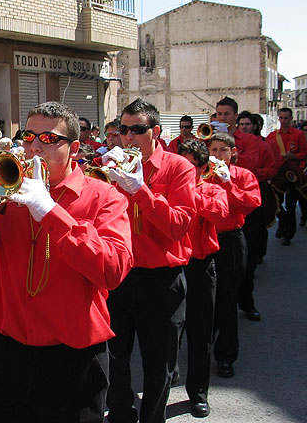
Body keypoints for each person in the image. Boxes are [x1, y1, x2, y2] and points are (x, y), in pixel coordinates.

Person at [0, 102, 133, 422]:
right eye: (29, 137)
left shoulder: (105, 197)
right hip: (9, 353)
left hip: (73, 359)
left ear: (74, 148)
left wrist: (49, 211)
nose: (34, 147)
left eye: (48, 139)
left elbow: (113, 270)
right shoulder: (8, 190)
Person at [104, 98, 196, 423]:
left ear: (155, 131)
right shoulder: (112, 166)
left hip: (161, 280)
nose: (129, 137)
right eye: (123, 130)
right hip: (119, 277)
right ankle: (120, 415)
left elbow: (179, 226)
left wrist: (141, 191)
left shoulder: (179, 167)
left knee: (159, 364)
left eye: (137, 130)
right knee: (114, 359)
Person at [177, 140, 229, 418]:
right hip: (174, 266)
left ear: (201, 168)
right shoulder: (170, 188)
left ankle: (198, 393)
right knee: (167, 331)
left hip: (200, 266)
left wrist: (190, 193)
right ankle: (169, 374)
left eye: (191, 167)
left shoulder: (211, 189)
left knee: (200, 334)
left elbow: (220, 213)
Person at [205, 132, 260, 379]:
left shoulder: (243, 175)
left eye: (223, 150)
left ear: (233, 152)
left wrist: (228, 184)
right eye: (214, 150)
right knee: (204, 300)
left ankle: (226, 356)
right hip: (206, 239)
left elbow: (251, 204)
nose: (218, 155)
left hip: (230, 240)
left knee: (227, 299)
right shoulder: (203, 174)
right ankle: (202, 348)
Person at [235, 111, 279, 321]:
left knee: (247, 257)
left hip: (250, 196)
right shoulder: (213, 139)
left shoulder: (257, 143)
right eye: (219, 114)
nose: (244, 127)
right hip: (222, 204)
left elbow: (267, 168)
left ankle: (247, 303)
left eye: (247, 124)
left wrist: (251, 174)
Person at [267, 108, 307, 245]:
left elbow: (304, 153)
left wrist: (295, 156)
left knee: (291, 205)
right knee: (276, 203)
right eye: (281, 118)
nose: (283, 121)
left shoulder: (298, 134)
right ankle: (282, 222)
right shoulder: (272, 136)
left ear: (291, 119)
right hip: (278, 174)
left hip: (292, 174)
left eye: (286, 118)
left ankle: (288, 234)